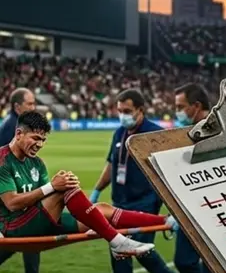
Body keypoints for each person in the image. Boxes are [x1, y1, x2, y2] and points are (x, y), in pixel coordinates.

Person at [0, 112, 162, 261]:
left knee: (102, 210)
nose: (40, 144)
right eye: (35, 138)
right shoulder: (3, 160)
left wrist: (92, 221)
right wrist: (53, 186)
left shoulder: (37, 163)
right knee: (64, 188)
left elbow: (43, 201)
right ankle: (117, 242)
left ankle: (165, 221)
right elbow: (12, 203)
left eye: (43, 140)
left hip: (34, 221)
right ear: (19, 134)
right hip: (13, 227)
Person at [90, 89, 180, 273]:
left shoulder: (154, 135)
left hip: (146, 200)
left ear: (140, 110)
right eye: (120, 111)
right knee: (118, 247)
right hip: (120, 200)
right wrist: (97, 190)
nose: (123, 115)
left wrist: (174, 207)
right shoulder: (119, 133)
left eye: (127, 111)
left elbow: (170, 171)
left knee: (139, 246)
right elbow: (112, 165)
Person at [171, 83, 226, 273]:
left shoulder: (218, 130)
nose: (177, 112)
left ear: (196, 106)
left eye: (180, 107)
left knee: (212, 267)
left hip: (215, 208)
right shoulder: (185, 133)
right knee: (183, 261)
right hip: (189, 208)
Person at [0, 88, 55, 273]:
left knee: (30, 236)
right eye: (30, 104)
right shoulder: (9, 129)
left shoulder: (13, 125)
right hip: (8, 201)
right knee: (17, 240)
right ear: (17, 106)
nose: (34, 107)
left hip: (15, 197)